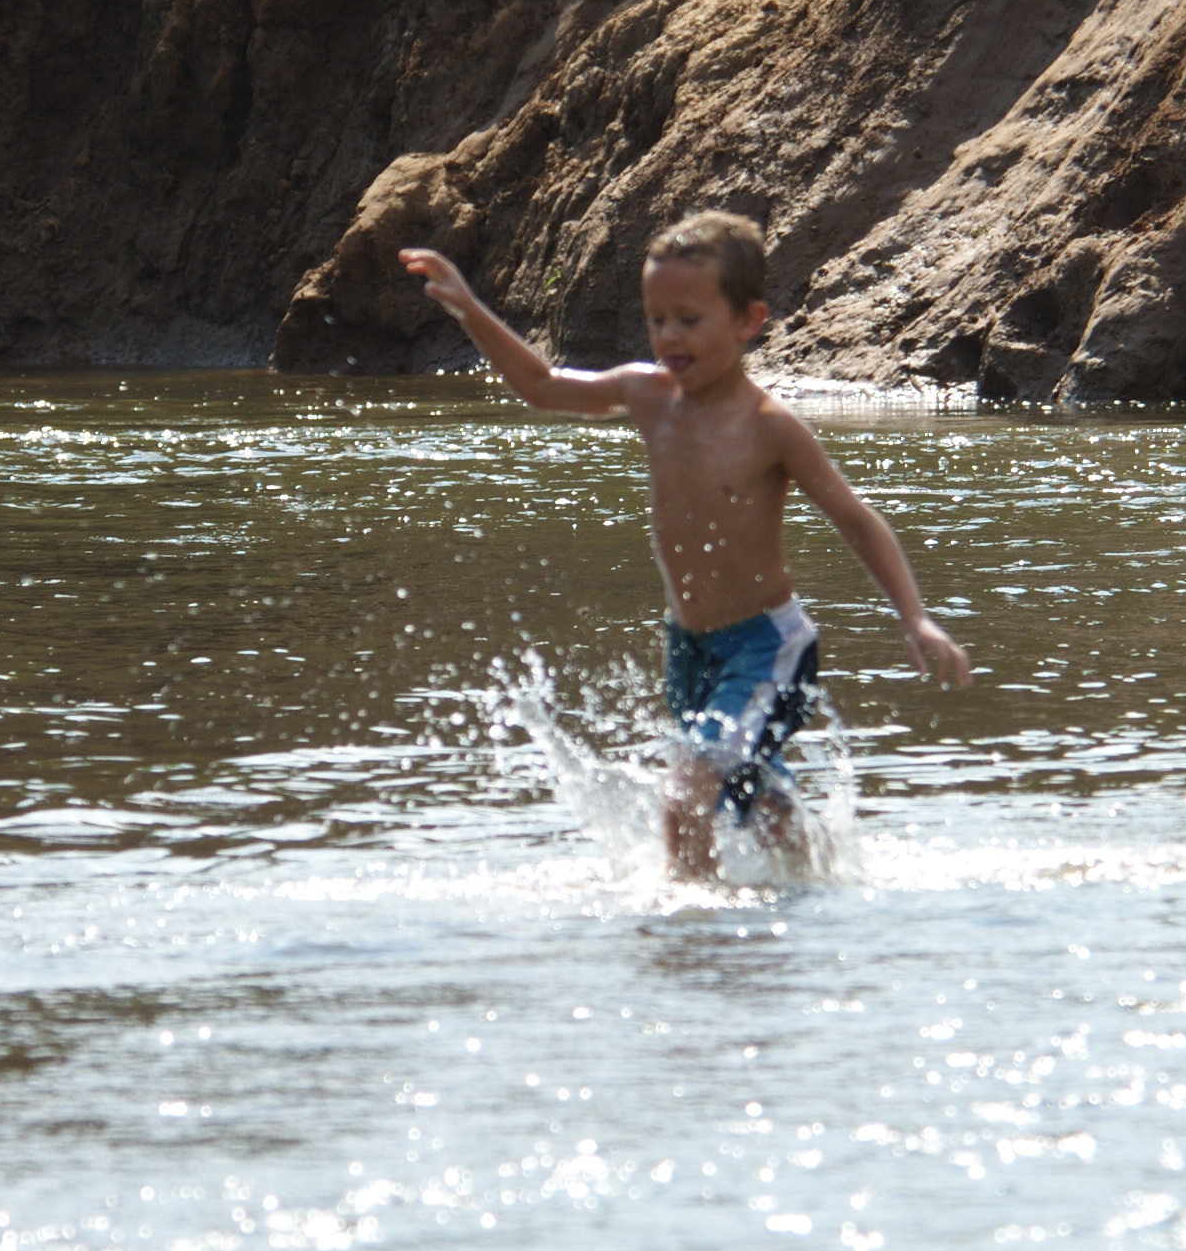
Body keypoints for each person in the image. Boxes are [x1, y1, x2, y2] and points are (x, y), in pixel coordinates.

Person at [403, 211, 973, 879]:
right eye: (656, 319)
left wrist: (916, 617)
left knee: (687, 789)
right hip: (689, 651)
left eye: (689, 320)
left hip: (769, 648)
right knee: (755, 799)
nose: (669, 335)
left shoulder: (771, 427)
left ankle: (688, 933)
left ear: (747, 321)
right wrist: (469, 309)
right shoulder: (649, 395)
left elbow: (856, 519)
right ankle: (824, 889)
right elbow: (542, 386)